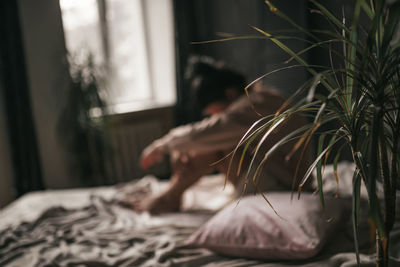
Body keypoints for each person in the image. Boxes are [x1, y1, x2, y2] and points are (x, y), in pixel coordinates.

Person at [129, 57, 313, 214]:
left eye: (215, 112)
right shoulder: (261, 97)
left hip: (285, 187)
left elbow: (201, 135)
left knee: (208, 142)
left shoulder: (253, 106)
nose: (214, 117)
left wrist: (160, 146)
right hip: (282, 178)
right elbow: (206, 132)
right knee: (202, 141)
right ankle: (170, 196)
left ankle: (169, 198)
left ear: (230, 94)